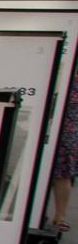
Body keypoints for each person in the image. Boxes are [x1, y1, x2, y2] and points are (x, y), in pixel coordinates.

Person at [51, 81, 76, 233]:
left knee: (62, 176)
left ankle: (60, 216)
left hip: (68, 136)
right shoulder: (65, 79)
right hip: (48, 129)